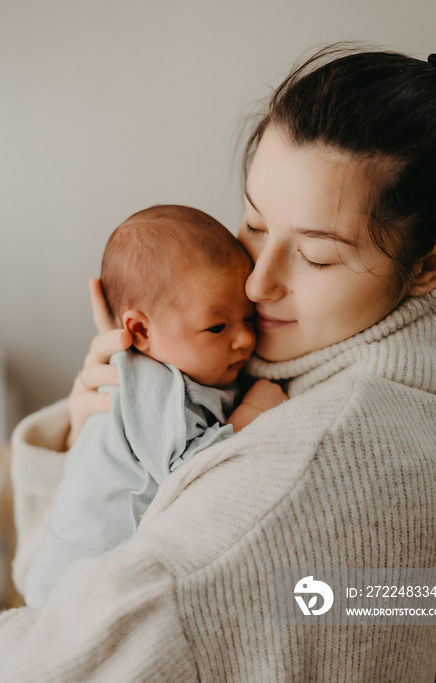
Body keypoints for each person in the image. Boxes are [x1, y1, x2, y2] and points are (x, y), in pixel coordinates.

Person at [2, 43, 436, 682]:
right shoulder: (391, 365)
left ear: (429, 266)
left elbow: (43, 660)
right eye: (253, 222)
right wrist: (92, 438)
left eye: (317, 257)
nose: (255, 285)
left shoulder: (304, 466)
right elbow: (409, 602)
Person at [23, 204, 287, 609]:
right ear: (141, 330)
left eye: (248, 319)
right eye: (217, 327)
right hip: (78, 577)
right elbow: (192, 477)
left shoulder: (190, 367)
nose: (244, 341)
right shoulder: (154, 385)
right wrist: (253, 412)